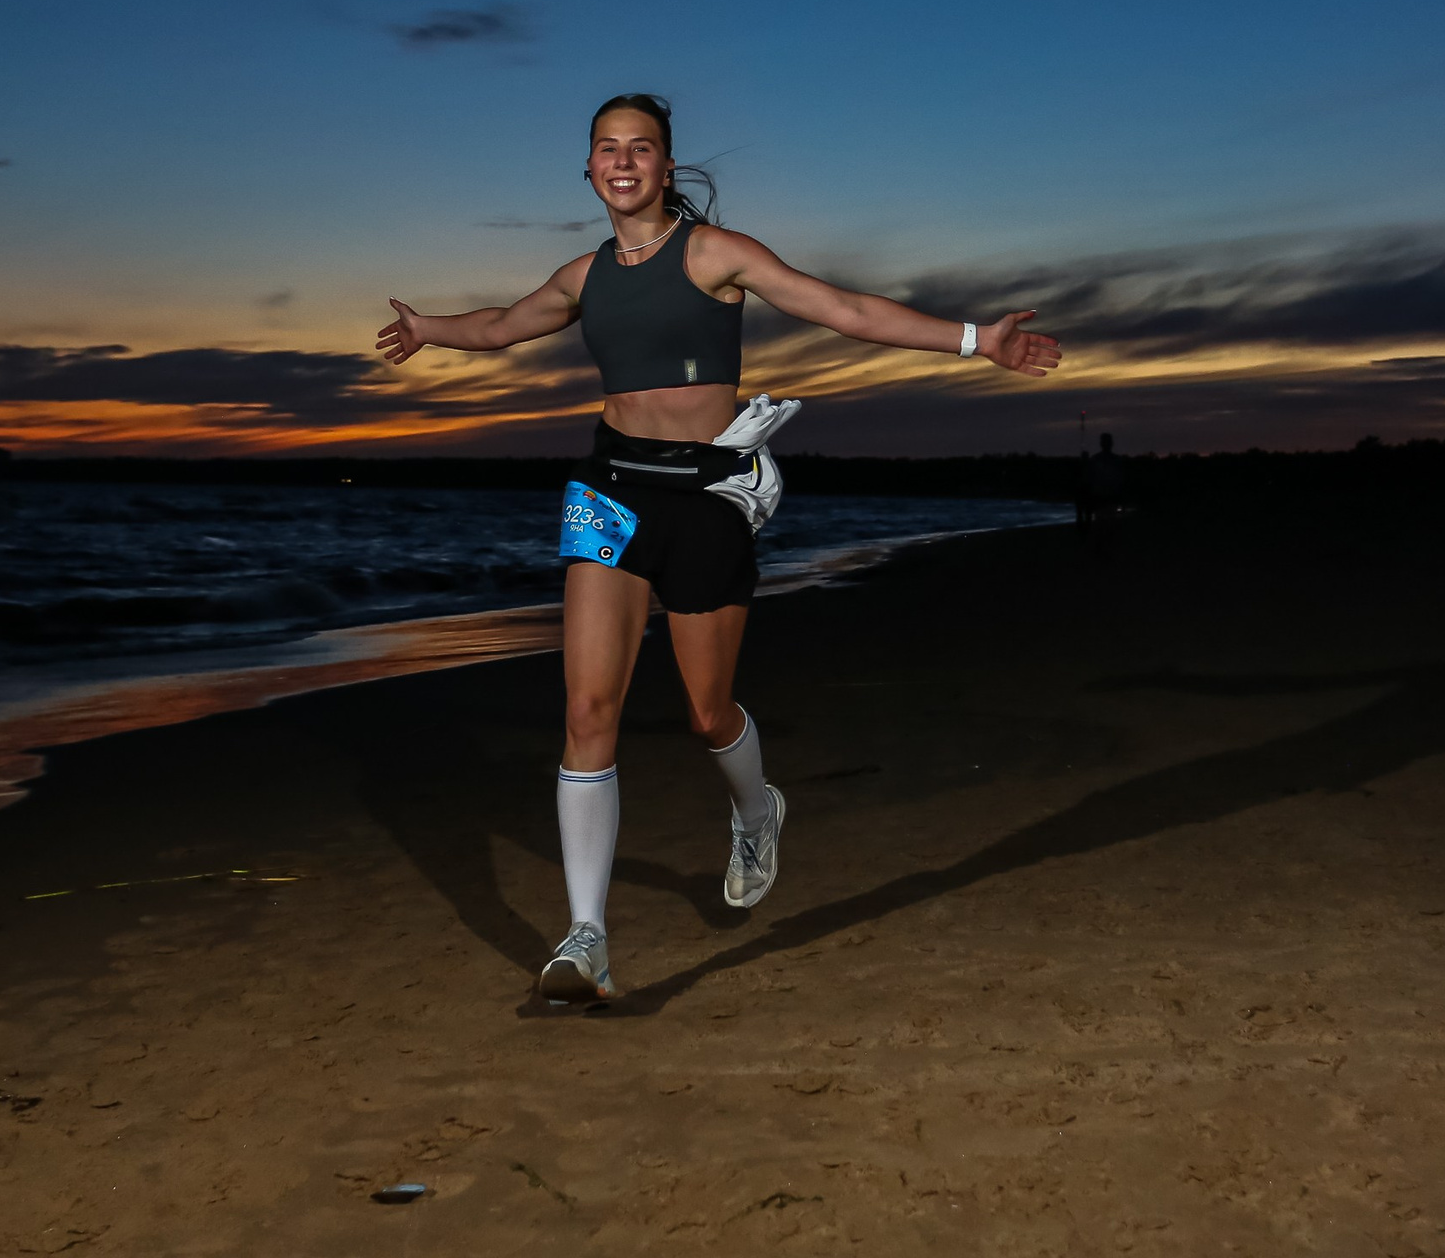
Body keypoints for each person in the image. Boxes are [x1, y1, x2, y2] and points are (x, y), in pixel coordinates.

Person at [376, 94, 1060, 1002]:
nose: (624, 161)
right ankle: (587, 937)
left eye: (642, 147)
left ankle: (756, 808)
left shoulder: (714, 254)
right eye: (607, 148)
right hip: (609, 487)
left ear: (665, 165)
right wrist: (428, 328)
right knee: (587, 709)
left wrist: (977, 340)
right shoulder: (583, 276)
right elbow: (503, 323)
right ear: (587, 169)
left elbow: (839, 306)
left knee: (707, 713)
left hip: (706, 494)